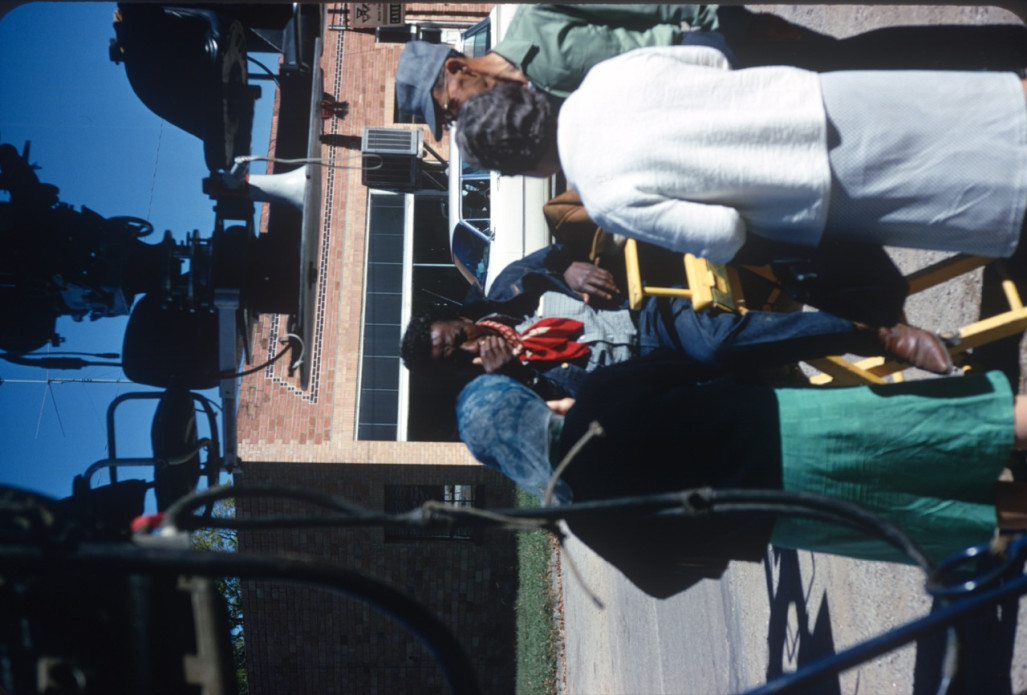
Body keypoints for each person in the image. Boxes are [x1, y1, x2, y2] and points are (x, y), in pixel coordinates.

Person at [456, 359, 1027, 598]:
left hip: (788, 514)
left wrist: (711, 545)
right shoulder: (603, 395)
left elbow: (663, 581)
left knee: (933, 514)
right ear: (526, 400)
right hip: (792, 425)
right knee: (957, 426)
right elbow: (687, 363)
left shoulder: (588, 517)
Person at [455, 46, 1027, 264]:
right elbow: (711, 61)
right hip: (815, 98)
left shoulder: (603, 197)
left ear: (518, 166)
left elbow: (723, 232)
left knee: (979, 187)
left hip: (816, 187)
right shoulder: (604, 76)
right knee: (976, 109)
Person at [400, 242, 955, 400]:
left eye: (458, 338)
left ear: (459, 318)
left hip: (650, 312)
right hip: (649, 374)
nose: (469, 350)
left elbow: (556, 251)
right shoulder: (506, 390)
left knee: (713, 347)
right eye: (458, 360)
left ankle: (874, 334)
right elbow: (582, 413)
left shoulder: (508, 288)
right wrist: (516, 376)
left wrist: (567, 267)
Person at [395, 4, 1027, 141]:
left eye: (449, 105)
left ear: (456, 67)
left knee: (854, 63)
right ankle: (997, 111)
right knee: (858, 113)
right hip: (715, 106)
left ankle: (1004, 52)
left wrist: (732, 24)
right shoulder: (534, 114)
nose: (458, 116)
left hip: (724, 51)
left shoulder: (537, 19)